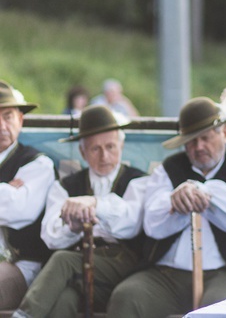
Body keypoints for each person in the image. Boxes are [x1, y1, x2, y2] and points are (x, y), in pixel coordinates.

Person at [107, 95, 226, 317]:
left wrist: (205, 192)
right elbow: (153, 224)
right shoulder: (169, 170)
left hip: (223, 274)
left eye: (205, 138)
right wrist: (175, 202)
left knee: (219, 309)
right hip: (167, 275)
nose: (199, 147)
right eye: (191, 141)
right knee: (127, 296)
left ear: (224, 133)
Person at [15, 105, 149, 317]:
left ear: (121, 146)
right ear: (82, 152)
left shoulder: (138, 181)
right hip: (81, 269)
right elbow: (49, 236)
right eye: (95, 149)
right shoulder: (65, 186)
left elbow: (131, 224)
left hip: (124, 266)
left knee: (62, 260)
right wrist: (72, 227)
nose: (104, 156)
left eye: (110, 147)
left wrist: (95, 203)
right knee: (64, 299)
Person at [0, 80, 56, 310]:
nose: (1, 126)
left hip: (19, 264)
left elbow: (18, 210)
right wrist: (6, 190)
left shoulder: (38, 164)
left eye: (8, 116)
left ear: (20, 120)